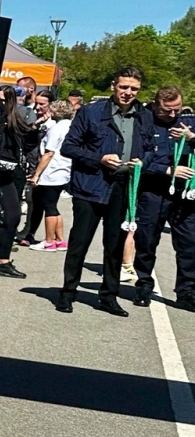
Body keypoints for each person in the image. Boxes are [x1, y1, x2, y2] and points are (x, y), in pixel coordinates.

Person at [57, 67, 165, 315]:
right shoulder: (91, 112)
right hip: (91, 186)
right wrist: (99, 159)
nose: (128, 92)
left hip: (123, 187)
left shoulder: (145, 115)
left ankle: (109, 296)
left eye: (134, 89)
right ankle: (68, 293)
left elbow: (151, 148)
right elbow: (69, 147)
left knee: (115, 246)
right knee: (79, 243)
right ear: (113, 86)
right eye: (123, 87)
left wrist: (143, 162)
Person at [131, 86, 195, 307]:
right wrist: (166, 170)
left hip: (184, 194)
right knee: (146, 241)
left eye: (177, 109)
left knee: (189, 243)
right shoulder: (143, 121)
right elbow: (136, 159)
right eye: (167, 110)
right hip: (153, 191)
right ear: (155, 105)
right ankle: (144, 285)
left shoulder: (188, 122)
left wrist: (191, 138)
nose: (172, 114)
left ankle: (187, 291)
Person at [0, 84, 35, 278]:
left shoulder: (15, 120)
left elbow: (28, 143)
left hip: (9, 173)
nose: (1, 103)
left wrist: (35, 130)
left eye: (4, 100)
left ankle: (3, 262)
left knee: (12, 216)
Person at [30, 98, 74, 250]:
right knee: (53, 206)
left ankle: (49, 241)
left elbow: (49, 153)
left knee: (49, 206)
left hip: (52, 171)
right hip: (64, 169)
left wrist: (37, 174)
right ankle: (60, 240)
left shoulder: (56, 128)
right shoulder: (72, 126)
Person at [18, 90, 53, 246]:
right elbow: (25, 138)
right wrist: (36, 124)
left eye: (42, 104)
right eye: (36, 103)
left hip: (43, 165)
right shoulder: (35, 118)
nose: (38, 107)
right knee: (28, 198)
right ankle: (26, 230)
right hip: (29, 161)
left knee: (35, 200)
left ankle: (29, 232)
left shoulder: (53, 123)